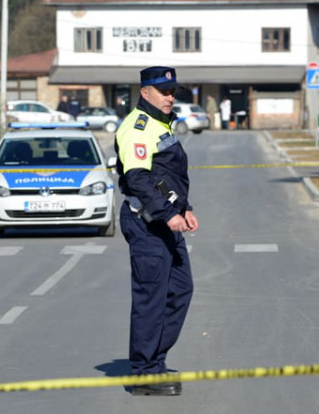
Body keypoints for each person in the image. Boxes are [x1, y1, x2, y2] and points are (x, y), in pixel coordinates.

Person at [115, 66, 199, 396]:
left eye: (173, 91)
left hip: (164, 220)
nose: (170, 97)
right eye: (163, 91)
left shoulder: (161, 124)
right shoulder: (137, 127)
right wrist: (168, 214)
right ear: (145, 92)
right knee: (151, 297)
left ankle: (155, 361)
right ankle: (143, 373)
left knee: (180, 289)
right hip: (147, 222)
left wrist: (184, 208)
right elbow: (138, 179)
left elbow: (166, 175)